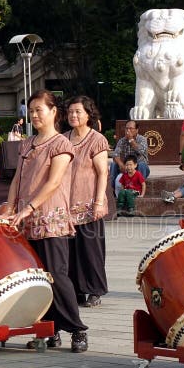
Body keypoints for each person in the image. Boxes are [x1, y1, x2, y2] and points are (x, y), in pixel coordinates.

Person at [2, 89, 89, 353]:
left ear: (54, 112)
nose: (35, 115)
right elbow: (18, 179)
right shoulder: (28, 144)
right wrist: (10, 206)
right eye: (32, 111)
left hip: (51, 219)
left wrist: (28, 207)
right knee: (37, 278)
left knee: (57, 276)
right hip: (27, 221)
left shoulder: (62, 144)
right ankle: (49, 329)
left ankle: (77, 329)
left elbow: (53, 182)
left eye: (40, 109)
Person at [64, 96, 109, 308]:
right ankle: (76, 290)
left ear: (88, 115)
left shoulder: (96, 139)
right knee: (69, 251)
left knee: (91, 250)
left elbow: (102, 173)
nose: (73, 115)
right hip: (66, 205)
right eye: (71, 112)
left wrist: (99, 202)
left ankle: (94, 290)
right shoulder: (62, 140)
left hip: (90, 203)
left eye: (78, 112)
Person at [110, 120, 150, 191]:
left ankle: (138, 190)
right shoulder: (122, 140)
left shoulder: (142, 139)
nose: (128, 130)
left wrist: (131, 140)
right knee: (113, 164)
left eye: (131, 128)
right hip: (127, 167)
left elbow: (140, 151)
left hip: (138, 168)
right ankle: (112, 190)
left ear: (136, 130)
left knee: (142, 164)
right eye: (126, 128)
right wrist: (121, 164)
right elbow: (115, 154)